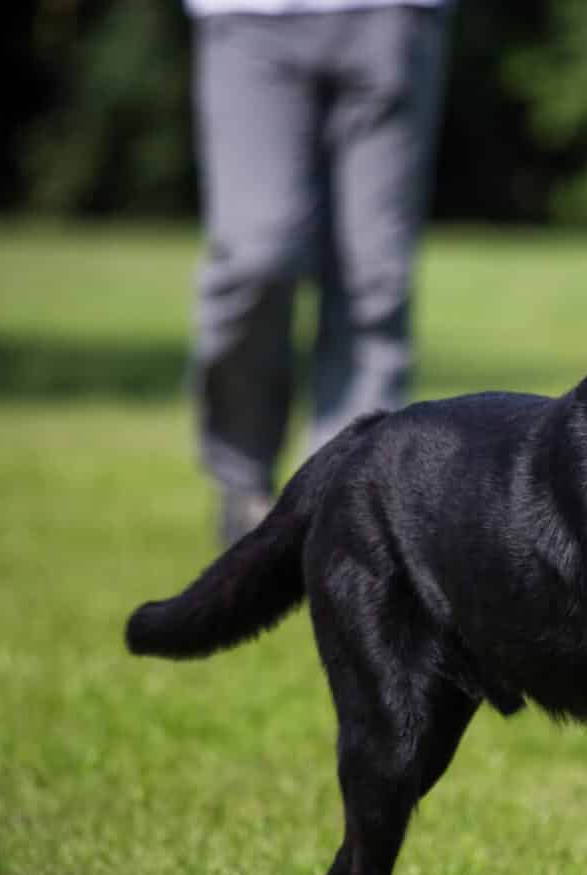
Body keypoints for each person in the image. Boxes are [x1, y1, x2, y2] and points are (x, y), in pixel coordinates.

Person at [184, 0, 453, 543]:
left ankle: (342, 505)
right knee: (256, 256)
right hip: (247, 18)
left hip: (395, 14)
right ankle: (243, 481)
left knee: (373, 285)